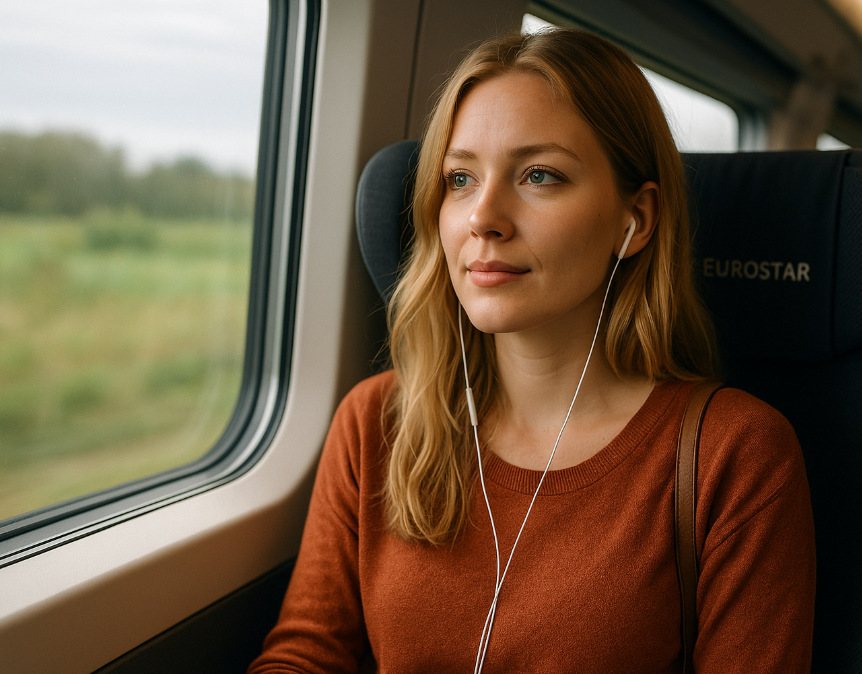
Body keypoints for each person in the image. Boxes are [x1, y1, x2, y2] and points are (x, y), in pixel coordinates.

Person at [249, 27, 815, 674]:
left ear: (634, 220)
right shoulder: (376, 422)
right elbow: (307, 655)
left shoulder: (734, 456)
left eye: (538, 175)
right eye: (460, 178)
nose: (481, 217)